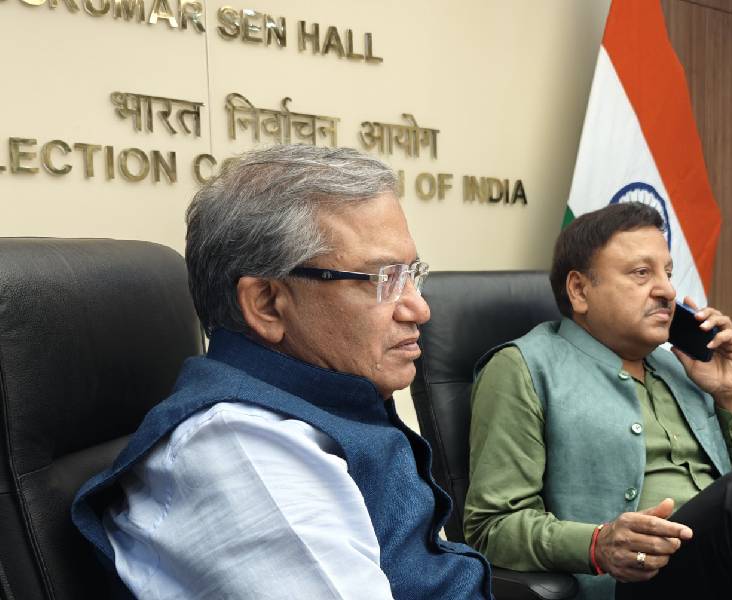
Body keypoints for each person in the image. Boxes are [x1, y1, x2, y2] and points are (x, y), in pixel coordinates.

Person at [71, 145, 491, 599]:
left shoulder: (331, 402)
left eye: (412, 274)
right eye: (384, 280)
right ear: (267, 304)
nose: (420, 308)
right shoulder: (244, 455)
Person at [465, 202, 732, 600]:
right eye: (642, 273)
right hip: (629, 584)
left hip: (726, 574)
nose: (668, 291)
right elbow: (491, 527)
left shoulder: (679, 364)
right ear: (579, 290)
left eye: (668, 273)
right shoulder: (523, 367)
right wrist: (597, 544)